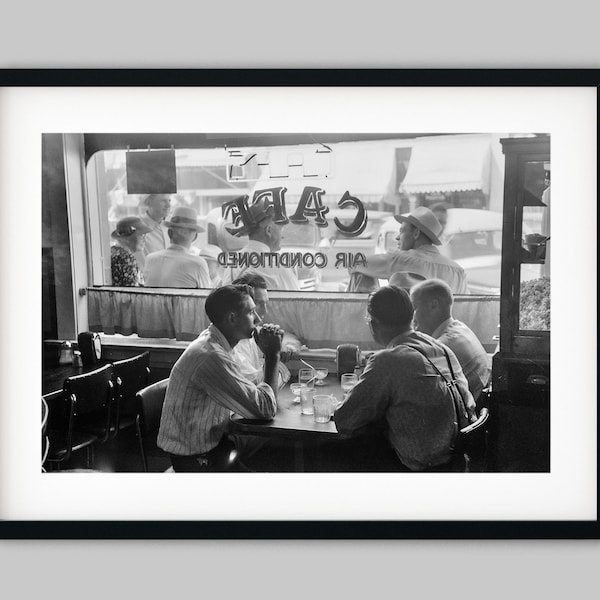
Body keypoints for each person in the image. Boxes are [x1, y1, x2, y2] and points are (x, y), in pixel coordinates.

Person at [334, 285, 476, 471]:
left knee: (335, 453)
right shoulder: (441, 348)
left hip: (421, 469)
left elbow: (345, 420)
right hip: (457, 461)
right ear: (411, 317)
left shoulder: (388, 360)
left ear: (373, 324)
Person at [157, 285, 282, 470]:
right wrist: (273, 355)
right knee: (275, 451)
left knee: (271, 446)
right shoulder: (211, 356)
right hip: (196, 457)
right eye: (251, 312)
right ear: (232, 318)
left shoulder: (218, 342)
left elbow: (252, 387)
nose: (258, 318)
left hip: (212, 441)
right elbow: (265, 408)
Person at [347, 206, 468, 294]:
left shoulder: (400, 260)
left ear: (416, 234)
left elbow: (356, 263)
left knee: (361, 273)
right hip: (443, 329)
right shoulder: (458, 272)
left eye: (402, 231)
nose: (397, 237)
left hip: (404, 328)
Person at [410, 279, 490, 405]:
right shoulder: (460, 328)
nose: (413, 317)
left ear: (433, 305)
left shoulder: (443, 346)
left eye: (415, 308)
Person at [231, 273, 302, 388]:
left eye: (265, 303)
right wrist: (276, 362)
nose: (264, 311)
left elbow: (288, 337)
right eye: (258, 304)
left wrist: (286, 346)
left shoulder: (250, 333)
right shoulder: (231, 347)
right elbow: (261, 387)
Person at [222, 198, 300, 291]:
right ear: (268, 231)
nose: (282, 236)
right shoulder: (279, 265)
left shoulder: (232, 263)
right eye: (280, 229)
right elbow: (296, 303)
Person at [143, 206, 212, 288]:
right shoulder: (198, 264)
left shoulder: (149, 259)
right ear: (194, 236)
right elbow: (207, 297)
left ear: (169, 233)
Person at [110, 216, 151, 286]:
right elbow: (133, 292)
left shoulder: (114, 251)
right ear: (128, 239)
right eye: (141, 235)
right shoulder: (126, 258)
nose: (144, 240)